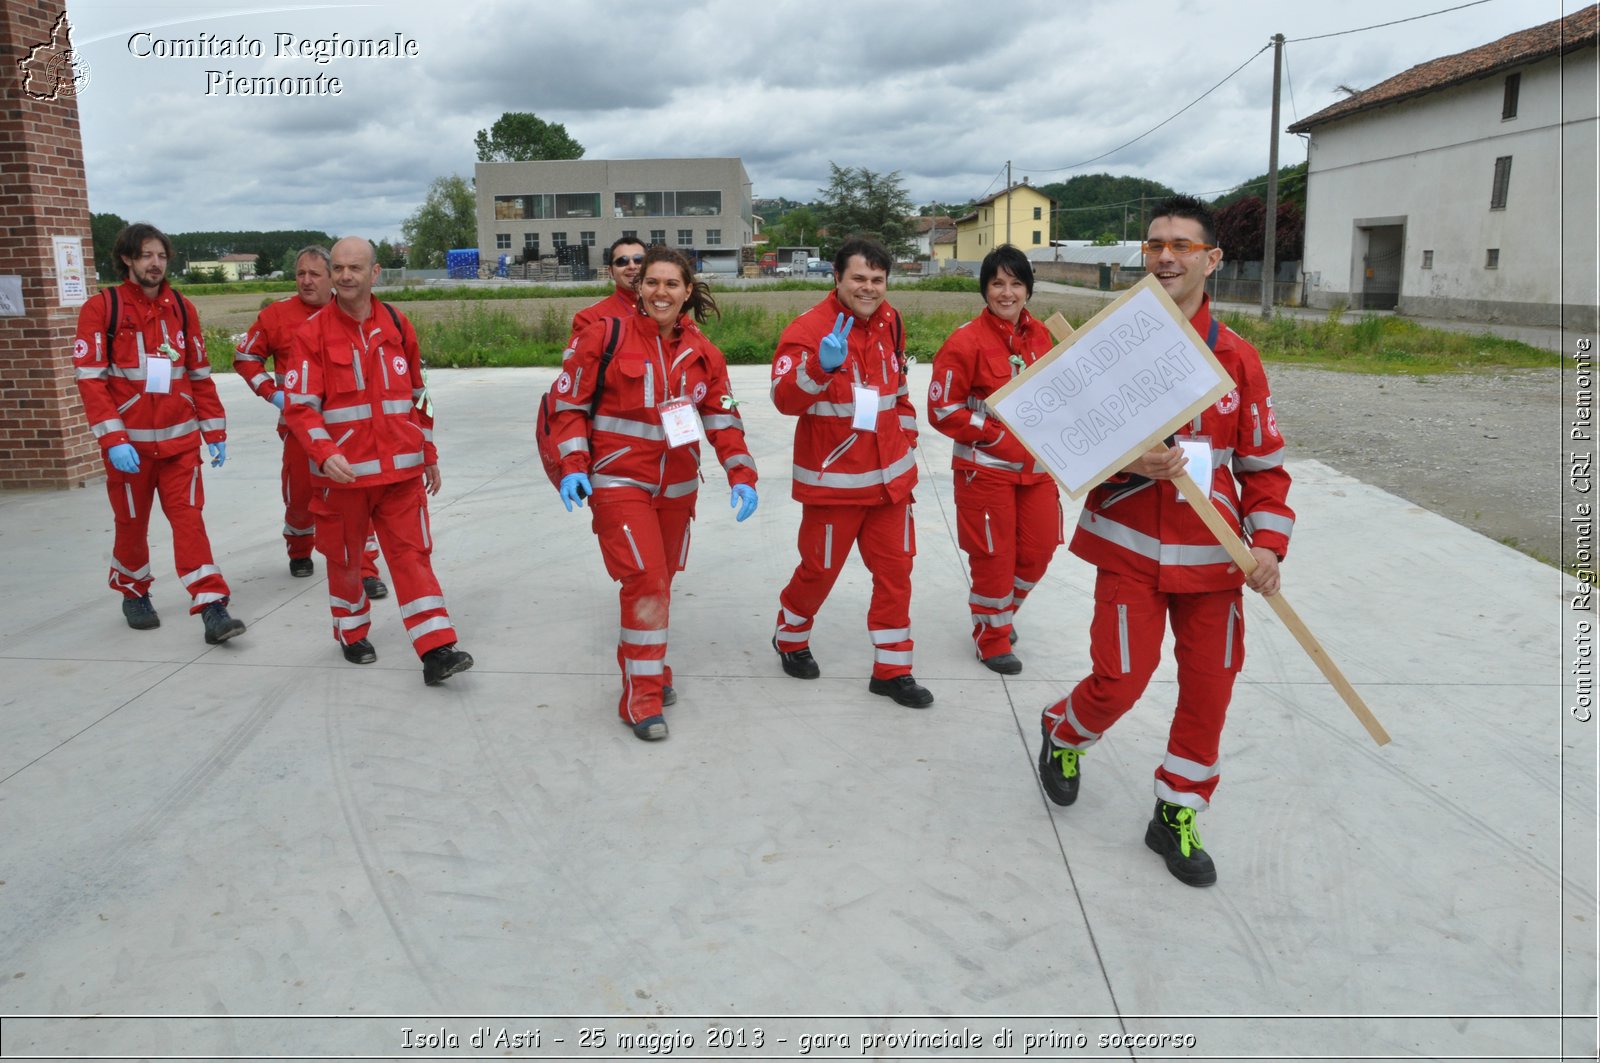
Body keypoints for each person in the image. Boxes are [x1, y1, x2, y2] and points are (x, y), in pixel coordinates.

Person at [1037, 194, 1294, 887]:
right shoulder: (1109, 349)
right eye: (1155, 244)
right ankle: (1064, 732)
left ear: (1211, 259)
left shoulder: (1237, 359)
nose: (1167, 256)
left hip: (1217, 561)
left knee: (1210, 689)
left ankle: (1176, 809)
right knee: (1120, 679)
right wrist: (1129, 460)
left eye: (1182, 244)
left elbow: (1264, 468)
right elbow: (1062, 447)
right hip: (1131, 553)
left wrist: (1267, 544)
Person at [546, 245, 758, 741]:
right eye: (652, 282)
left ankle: (648, 665)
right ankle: (640, 697)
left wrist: (742, 474)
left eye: (671, 284)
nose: (660, 292)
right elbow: (568, 403)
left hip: (678, 490)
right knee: (645, 581)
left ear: (688, 292)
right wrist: (575, 464)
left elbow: (723, 419)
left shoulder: (704, 352)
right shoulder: (605, 336)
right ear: (639, 289)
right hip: (619, 482)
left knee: (659, 583)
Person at [283, 237, 473, 685]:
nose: (345, 276)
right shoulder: (310, 334)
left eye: (355, 268)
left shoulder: (397, 325)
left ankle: (436, 648)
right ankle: (351, 632)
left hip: (401, 474)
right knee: (347, 560)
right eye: (339, 269)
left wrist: (428, 452)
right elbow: (300, 406)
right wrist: (325, 453)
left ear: (375, 273)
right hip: (343, 478)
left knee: (412, 557)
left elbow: (419, 395)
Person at [768, 236, 932, 708]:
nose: (869, 288)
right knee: (819, 570)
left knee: (897, 573)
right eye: (858, 278)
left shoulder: (891, 321)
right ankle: (791, 636)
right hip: (834, 487)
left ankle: (893, 669)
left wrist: (908, 436)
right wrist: (819, 366)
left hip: (890, 482)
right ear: (836, 278)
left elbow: (897, 389)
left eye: (878, 280)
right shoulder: (807, 330)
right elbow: (784, 400)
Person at [71, 222, 246, 644]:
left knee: (189, 521)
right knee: (131, 523)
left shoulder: (182, 309)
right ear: (128, 259)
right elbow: (90, 380)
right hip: (129, 448)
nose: (155, 263)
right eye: (147, 255)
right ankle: (133, 591)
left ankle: (212, 605)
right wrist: (113, 439)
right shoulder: (103, 309)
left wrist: (214, 429)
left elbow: (200, 376)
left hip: (179, 445)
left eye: (162, 256)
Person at [927, 245, 1061, 675]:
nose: (1007, 293)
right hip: (984, 473)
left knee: (1038, 553)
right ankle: (992, 636)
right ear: (985, 289)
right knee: (993, 558)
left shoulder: (1043, 335)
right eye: (997, 284)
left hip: (1038, 473)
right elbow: (942, 409)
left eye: (1016, 283)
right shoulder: (964, 341)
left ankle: (1001, 615)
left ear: (1028, 290)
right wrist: (996, 434)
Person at [234, 245, 387, 596]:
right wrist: (272, 393)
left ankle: (365, 569)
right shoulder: (276, 316)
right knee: (300, 499)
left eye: (314, 274)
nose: (306, 281)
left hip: (348, 431)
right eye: (301, 274)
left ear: (331, 276)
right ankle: (300, 549)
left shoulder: (352, 313)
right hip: (299, 430)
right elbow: (245, 357)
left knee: (357, 500)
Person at [568, 235, 645, 344]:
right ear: (610, 271)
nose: (632, 266)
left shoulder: (668, 311)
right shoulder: (591, 318)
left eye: (639, 260)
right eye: (622, 261)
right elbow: (575, 360)